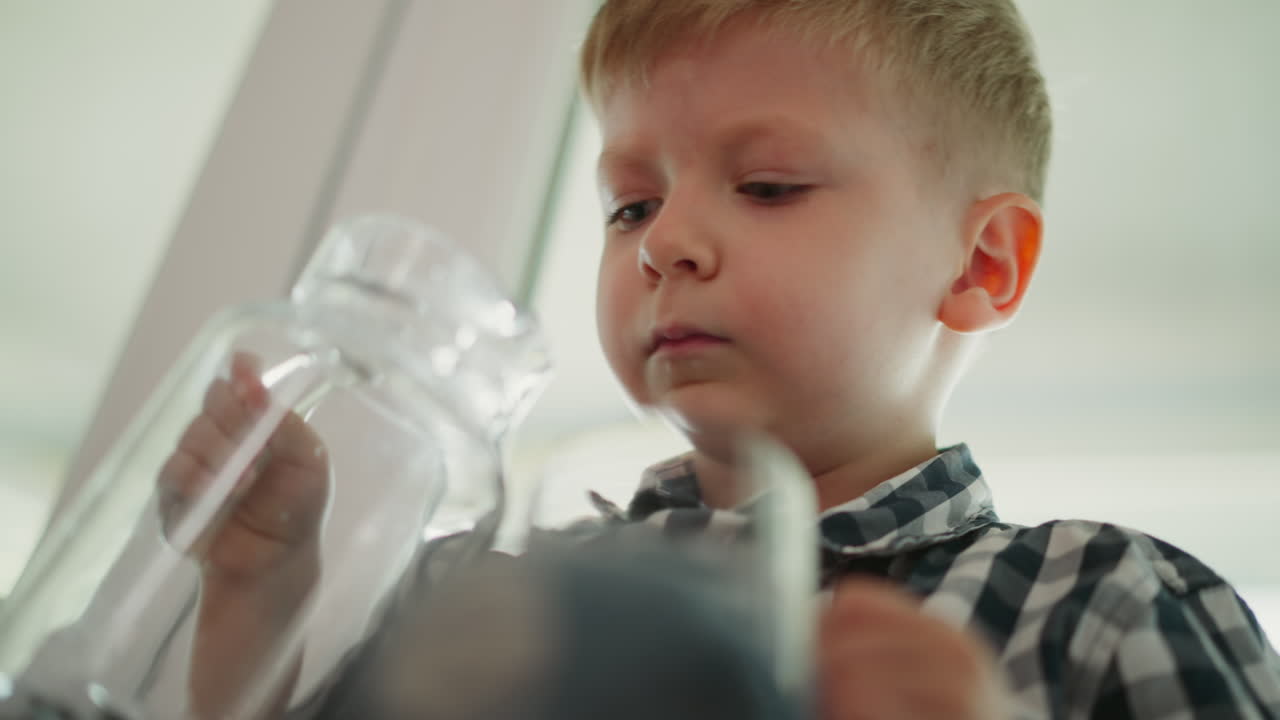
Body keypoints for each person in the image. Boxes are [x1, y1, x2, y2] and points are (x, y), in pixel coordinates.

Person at [161, 0, 1280, 717]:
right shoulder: (482, 589)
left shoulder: (1103, 603)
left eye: (766, 187)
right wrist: (256, 589)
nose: (664, 243)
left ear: (981, 263)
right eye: (628, 203)